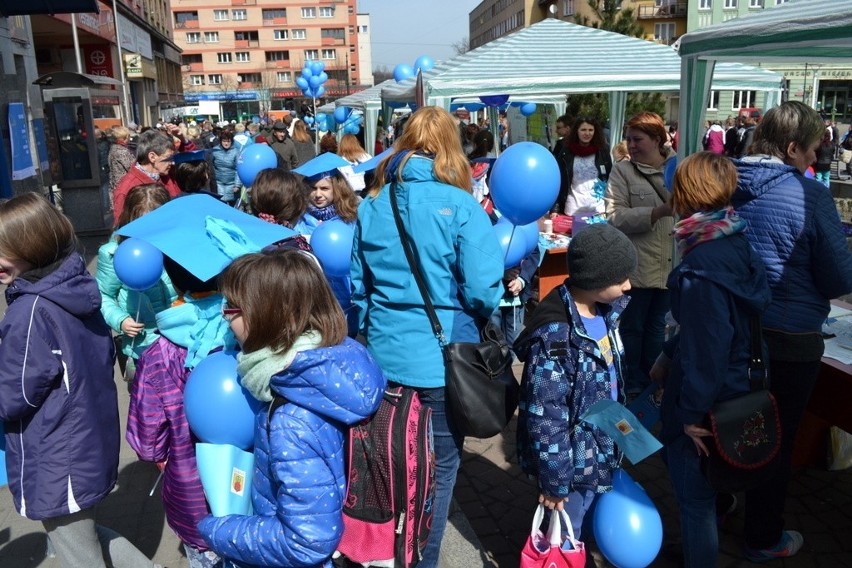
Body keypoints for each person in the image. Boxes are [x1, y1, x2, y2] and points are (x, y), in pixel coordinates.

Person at [350, 106, 504, 568]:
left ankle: (384, 550)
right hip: (440, 362)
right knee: (437, 474)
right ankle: (421, 561)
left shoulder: (373, 203)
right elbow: (482, 290)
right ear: (448, 148)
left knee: (389, 466)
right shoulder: (459, 205)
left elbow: (359, 288)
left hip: (382, 360)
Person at [0, 193, 159, 568]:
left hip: (56, 450)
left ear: (31, 247)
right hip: (84, 439)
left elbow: (13, 395)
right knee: (79, 534)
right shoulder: (73, 287)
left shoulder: (29, 310)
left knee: (75, 547)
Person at [196, 250, 384, 567]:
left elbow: (306, 541)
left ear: (267, 314)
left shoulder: (291, 419)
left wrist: (216, 530)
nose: (225, 317)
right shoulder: (335, 355)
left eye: (232, 307)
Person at [732, 101, 852, 561]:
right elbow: (839, 278)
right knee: (776, 442)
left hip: (735, 330)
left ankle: (720, 502)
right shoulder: (809, 195)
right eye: (811, 148)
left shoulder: (725, 182)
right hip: (790, 337)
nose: (816, 156)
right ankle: (763, 535)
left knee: (732, 423)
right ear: (791, 147)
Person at [660, 152, 771, 568]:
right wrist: (668, 352)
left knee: (695, 500)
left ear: (687, 192)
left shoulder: (702, 262)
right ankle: (695, 549)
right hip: (740, 382)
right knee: (708, 493)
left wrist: (690, 414)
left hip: (712, 397)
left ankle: (698, 556)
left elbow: (709, 347)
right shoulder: (734, 237)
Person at [515, 223, 637, 538]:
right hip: (572, 460)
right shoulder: (557, 338)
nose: (628, 285)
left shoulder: (605, 312)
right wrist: (555, 482)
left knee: (587, 516)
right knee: (567, 530)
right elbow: (546, 417)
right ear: (595, 280)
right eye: (620, 278)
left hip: (600, 443)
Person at [126, 252, 239, 568]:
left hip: (193, 494)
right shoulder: (246, 333)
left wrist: (162, 455)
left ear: (171, 279)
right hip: (252, 487)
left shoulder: (158, 354)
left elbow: (147, 442)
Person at [605, 111, 675, 396]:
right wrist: (656, 213)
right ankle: (633, 386)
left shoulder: (679, 165)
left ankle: (654, 385)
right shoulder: (622, 171)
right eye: (628, 139)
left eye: (638, 139)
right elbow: (614, 216)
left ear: (658, 140)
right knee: (632, 329)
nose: (631, 145)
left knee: (658, 328)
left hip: (671, 265)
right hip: (638, 266)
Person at [96, 184, 177, 381]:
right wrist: (120, 320)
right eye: (142, 223)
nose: (149, 231)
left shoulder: (175, 249)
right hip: (141, 345)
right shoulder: (114, 253)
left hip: (178, 339)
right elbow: (102, 295)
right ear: (130, 219)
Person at [113, 129, 183, 225]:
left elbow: (195, 167)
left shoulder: (167, 175)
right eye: (169, 157)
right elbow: (122, 228)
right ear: (152, 157)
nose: (173, 162)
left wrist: (184, 140)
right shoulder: (127, 188)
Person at [552, 116, 613, 221]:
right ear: (577, 131)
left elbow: (610, 178)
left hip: (597, 209)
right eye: (583, 130)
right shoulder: (566, 151)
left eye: (590, 130)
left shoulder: (602, 150)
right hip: (573, 208)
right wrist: (555, 209)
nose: (587, 133)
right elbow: (559, 181)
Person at [208, 129, 241, 205]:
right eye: (224, 141)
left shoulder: (236, 152)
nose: (226, 143)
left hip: (232, 184)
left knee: (233, 208)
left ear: (231, 141)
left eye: (228, 141)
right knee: (220, 205)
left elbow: (238, 169)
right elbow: (211, 167)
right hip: (219, 184)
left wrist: (237, 185)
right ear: (220, 141)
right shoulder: (215, 151)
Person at [468, 130, 495, 203]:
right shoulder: (496, 164)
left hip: (469, 204)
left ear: (475, 145)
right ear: (492, 145)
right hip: (489, 207)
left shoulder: (466, 163)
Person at [108, 125, 135, 199]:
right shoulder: (121, 151)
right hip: (123, 187)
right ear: (125, 137)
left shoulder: (113, 148)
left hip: (117, 185)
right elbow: (131, 168)